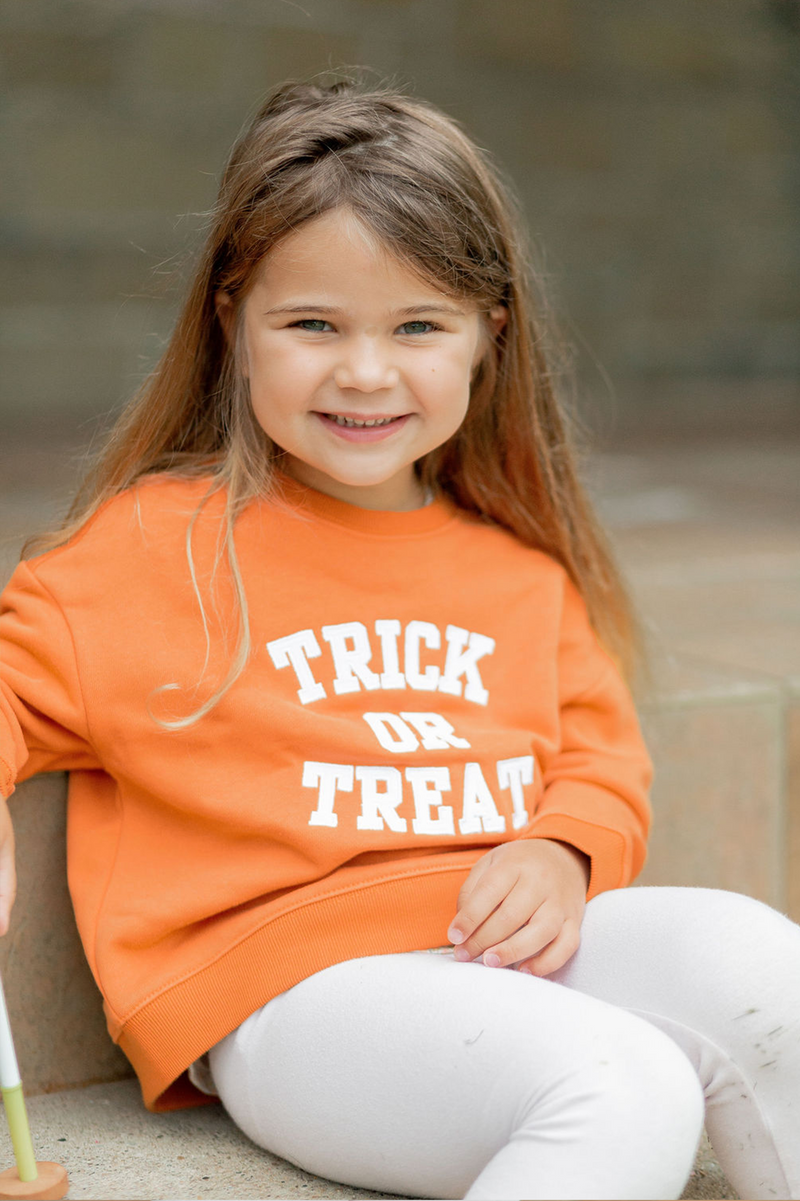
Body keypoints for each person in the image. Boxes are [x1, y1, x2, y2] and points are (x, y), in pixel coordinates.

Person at [0, 74, 798, 1201]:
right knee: (626, 1086)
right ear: (232, 320)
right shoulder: (151, 549)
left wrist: (561, 848)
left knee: (762, 960)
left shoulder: (516, 570)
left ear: (488, 336)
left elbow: (598, 757)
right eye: (312, 324)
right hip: (294, 991)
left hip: (498, 957)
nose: (365, 372)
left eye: (418, 325)